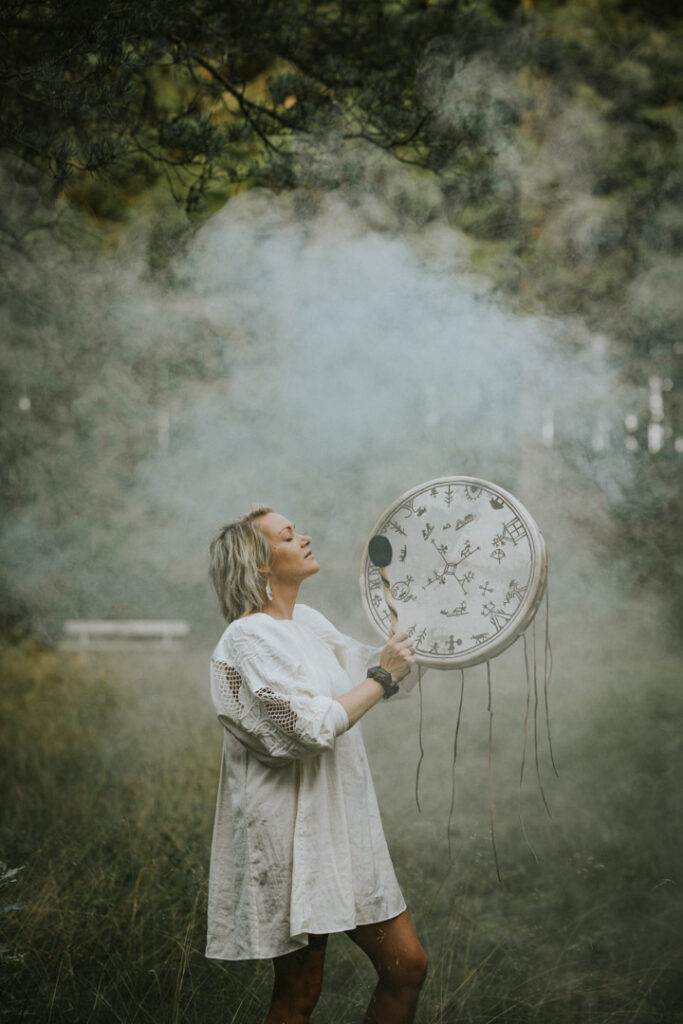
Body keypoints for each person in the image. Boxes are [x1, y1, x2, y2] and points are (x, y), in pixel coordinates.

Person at [206, 505, 428, 1024]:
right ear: (260, 564)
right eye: (288, 535)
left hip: (343, 825)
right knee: (301, 993)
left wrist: (414, 627)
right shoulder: (246, 638)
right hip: (290, 833)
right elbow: (307, 728)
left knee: (407, 967)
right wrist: (382, 678)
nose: (304, 537)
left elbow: (374, 671)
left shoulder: (306, 621)